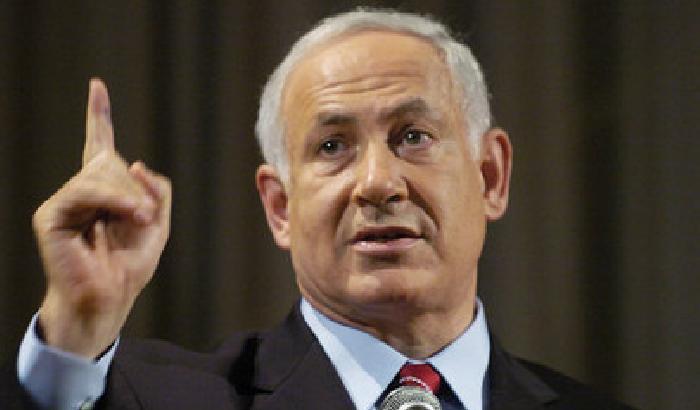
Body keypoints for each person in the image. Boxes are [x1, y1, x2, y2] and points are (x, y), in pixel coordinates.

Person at [1, 9, 633, 410]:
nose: (377, 183)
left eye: (413, 136)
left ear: (491, 176)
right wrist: (73, 333)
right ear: (279, 206)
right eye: (333, 146)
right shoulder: (156, 397)